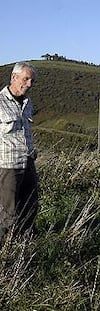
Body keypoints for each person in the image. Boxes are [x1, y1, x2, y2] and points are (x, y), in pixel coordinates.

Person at [0, 62, 39, 243]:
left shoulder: (27, 102)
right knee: (8, 212)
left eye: (32, 80)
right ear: (14, 78)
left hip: (28, 163)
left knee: (30, 206)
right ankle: (7, 250)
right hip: (7, 165)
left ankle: (25, 245)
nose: (29, 84)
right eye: (26, 79)